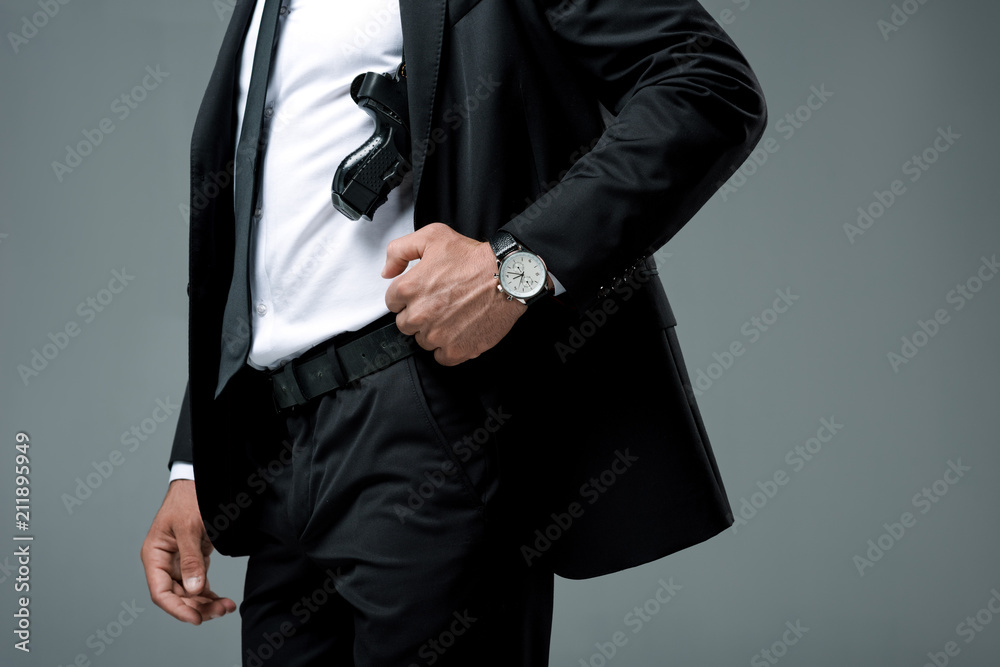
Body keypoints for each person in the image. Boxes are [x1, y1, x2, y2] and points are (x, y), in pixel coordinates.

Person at [140, 0, 767, 664]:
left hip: (427, 420)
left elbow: (706, 83)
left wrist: (515, 267)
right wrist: (192, 462)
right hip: (279, 446)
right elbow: (266, 244)